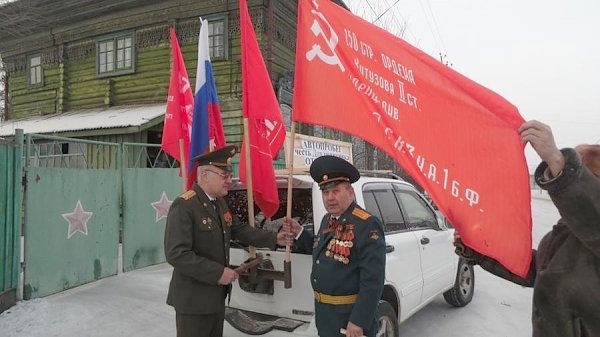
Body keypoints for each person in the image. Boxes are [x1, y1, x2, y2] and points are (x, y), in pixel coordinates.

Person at [454, 120, 600, 337]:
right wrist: (479, 249)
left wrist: (560, 163)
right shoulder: (560, 235)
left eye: (582, 175)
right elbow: (532, 271)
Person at [164, 145, 293, 337]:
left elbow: (237, 229)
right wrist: (217, 273)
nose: (229, 180)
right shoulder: (185, 205)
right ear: (205, 175)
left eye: (229, 174)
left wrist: (274, 238)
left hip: (216, 298)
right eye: (224, 175)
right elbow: (177, 254)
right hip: (193, 301)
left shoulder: (218, 202)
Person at [284, 155, 386, 337]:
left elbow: (373, 281)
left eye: (336, 191)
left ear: (350, 192)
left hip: (349, 318)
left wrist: (358, 321)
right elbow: (323, 250)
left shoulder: (366, 224)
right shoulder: (328, 219)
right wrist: (299, 232)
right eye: (325, 192)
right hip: (326, 315)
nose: (330, 198)